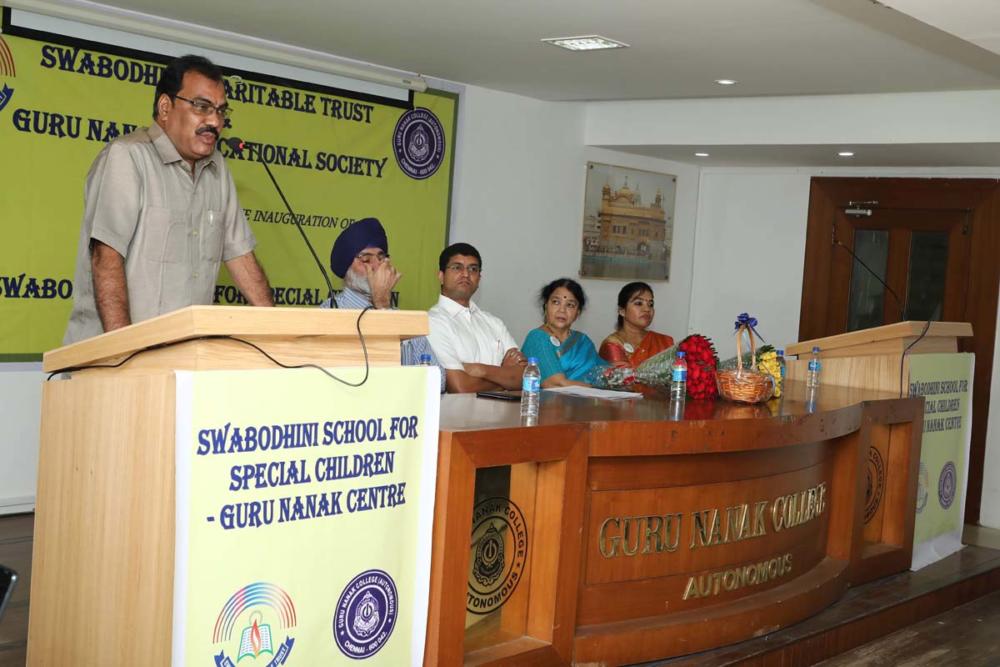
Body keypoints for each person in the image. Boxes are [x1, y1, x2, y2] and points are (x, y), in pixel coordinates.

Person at [63, 54, 272, 344]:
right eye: (202, 107)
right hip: (116, 357)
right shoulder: (128, 157)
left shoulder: (217, 169)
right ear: (165, 107)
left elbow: (241, 256)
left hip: (184, 355)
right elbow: (106, 258)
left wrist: (277, 336)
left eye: (221, 111)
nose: (215, 121)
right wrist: (124, 353)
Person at [321, 217, 445, 392]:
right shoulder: (328, 314)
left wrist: (384, 308)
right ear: (347, 269)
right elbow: (360, 382)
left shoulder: (403, 320)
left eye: (381, 257)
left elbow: (439, 381)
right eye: (366, 259)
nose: (376, 265)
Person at [427, 242, 526, 393]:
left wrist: (481, 370)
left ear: (479, 278)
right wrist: (504, 377)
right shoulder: (432, 322)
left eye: (473, 269)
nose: (466, 274)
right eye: (457, 267)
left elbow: (524, 377)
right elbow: (460, 387)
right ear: (441, 276)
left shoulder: (494, 323)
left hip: (502, 409)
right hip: (457, 409)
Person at [521, 278, 605, 387]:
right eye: (556, 302)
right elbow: (556, 384)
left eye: (570, 305)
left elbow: (604, 375)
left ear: (578, 312)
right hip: (552, 398)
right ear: (546, 306)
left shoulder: (583, 341)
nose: (562, 310)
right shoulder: (537, 338)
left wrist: (617, 372)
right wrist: (596, 390)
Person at [599, 282, 675, 367]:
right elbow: (622, 375)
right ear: (622, 311)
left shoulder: (664, 341)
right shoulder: (613, 344)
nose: (647, 309)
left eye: (651, 304)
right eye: (639, 303)